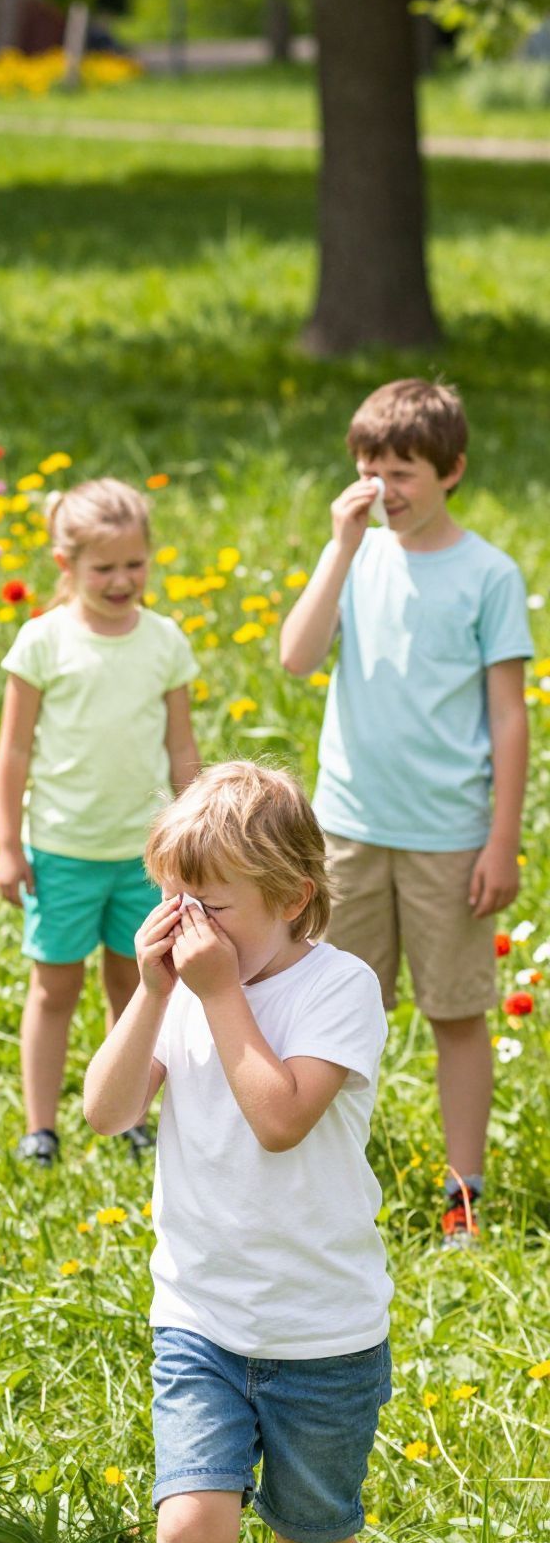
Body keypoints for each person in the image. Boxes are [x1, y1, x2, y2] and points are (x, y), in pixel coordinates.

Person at [84, 762, 392, 1543]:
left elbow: (278, 1118)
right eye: (175, 898)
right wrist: (160, 988)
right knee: (192, 1527)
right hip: (202, 1316)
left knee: (316, 1537)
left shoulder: (338, 989)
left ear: (295, 896)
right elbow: (108, 1106)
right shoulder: (186, 983)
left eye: (213, 905)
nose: (188, 924)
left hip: (322, 1331)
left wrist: (215, 994)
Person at [280, 378, 532, 1246]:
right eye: (369, 467)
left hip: (449, 838)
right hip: (347, 827)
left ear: (452, 470)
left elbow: (508, 714)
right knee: (337, 1006)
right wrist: (337, 550)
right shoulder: (356, 559)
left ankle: (463, 1194)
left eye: (404, 471)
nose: (383, 486)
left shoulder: (489, 575)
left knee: (456, 1012)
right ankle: (331, 1179)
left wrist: (503, 840)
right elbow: (295, 657)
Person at [0, 477, 200, 1167]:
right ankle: (41, 1126)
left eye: (134, 565)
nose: (121, 580)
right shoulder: (43, 642)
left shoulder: (165, 641)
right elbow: (13, 749)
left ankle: (127, 1113)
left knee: (135, 983)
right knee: (55, 988)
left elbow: (180, 747)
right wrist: (6, 846)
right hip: (61, 850)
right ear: (66, 565)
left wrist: (194, 836)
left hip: (144, 855)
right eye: (104, 568)